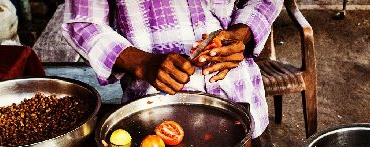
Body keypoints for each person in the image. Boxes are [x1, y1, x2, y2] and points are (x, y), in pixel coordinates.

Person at [62, 0, 283, 139]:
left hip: (239, 95)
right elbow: (82, 22)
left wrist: (241, 33)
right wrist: (141, 62)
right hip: (154, 115)